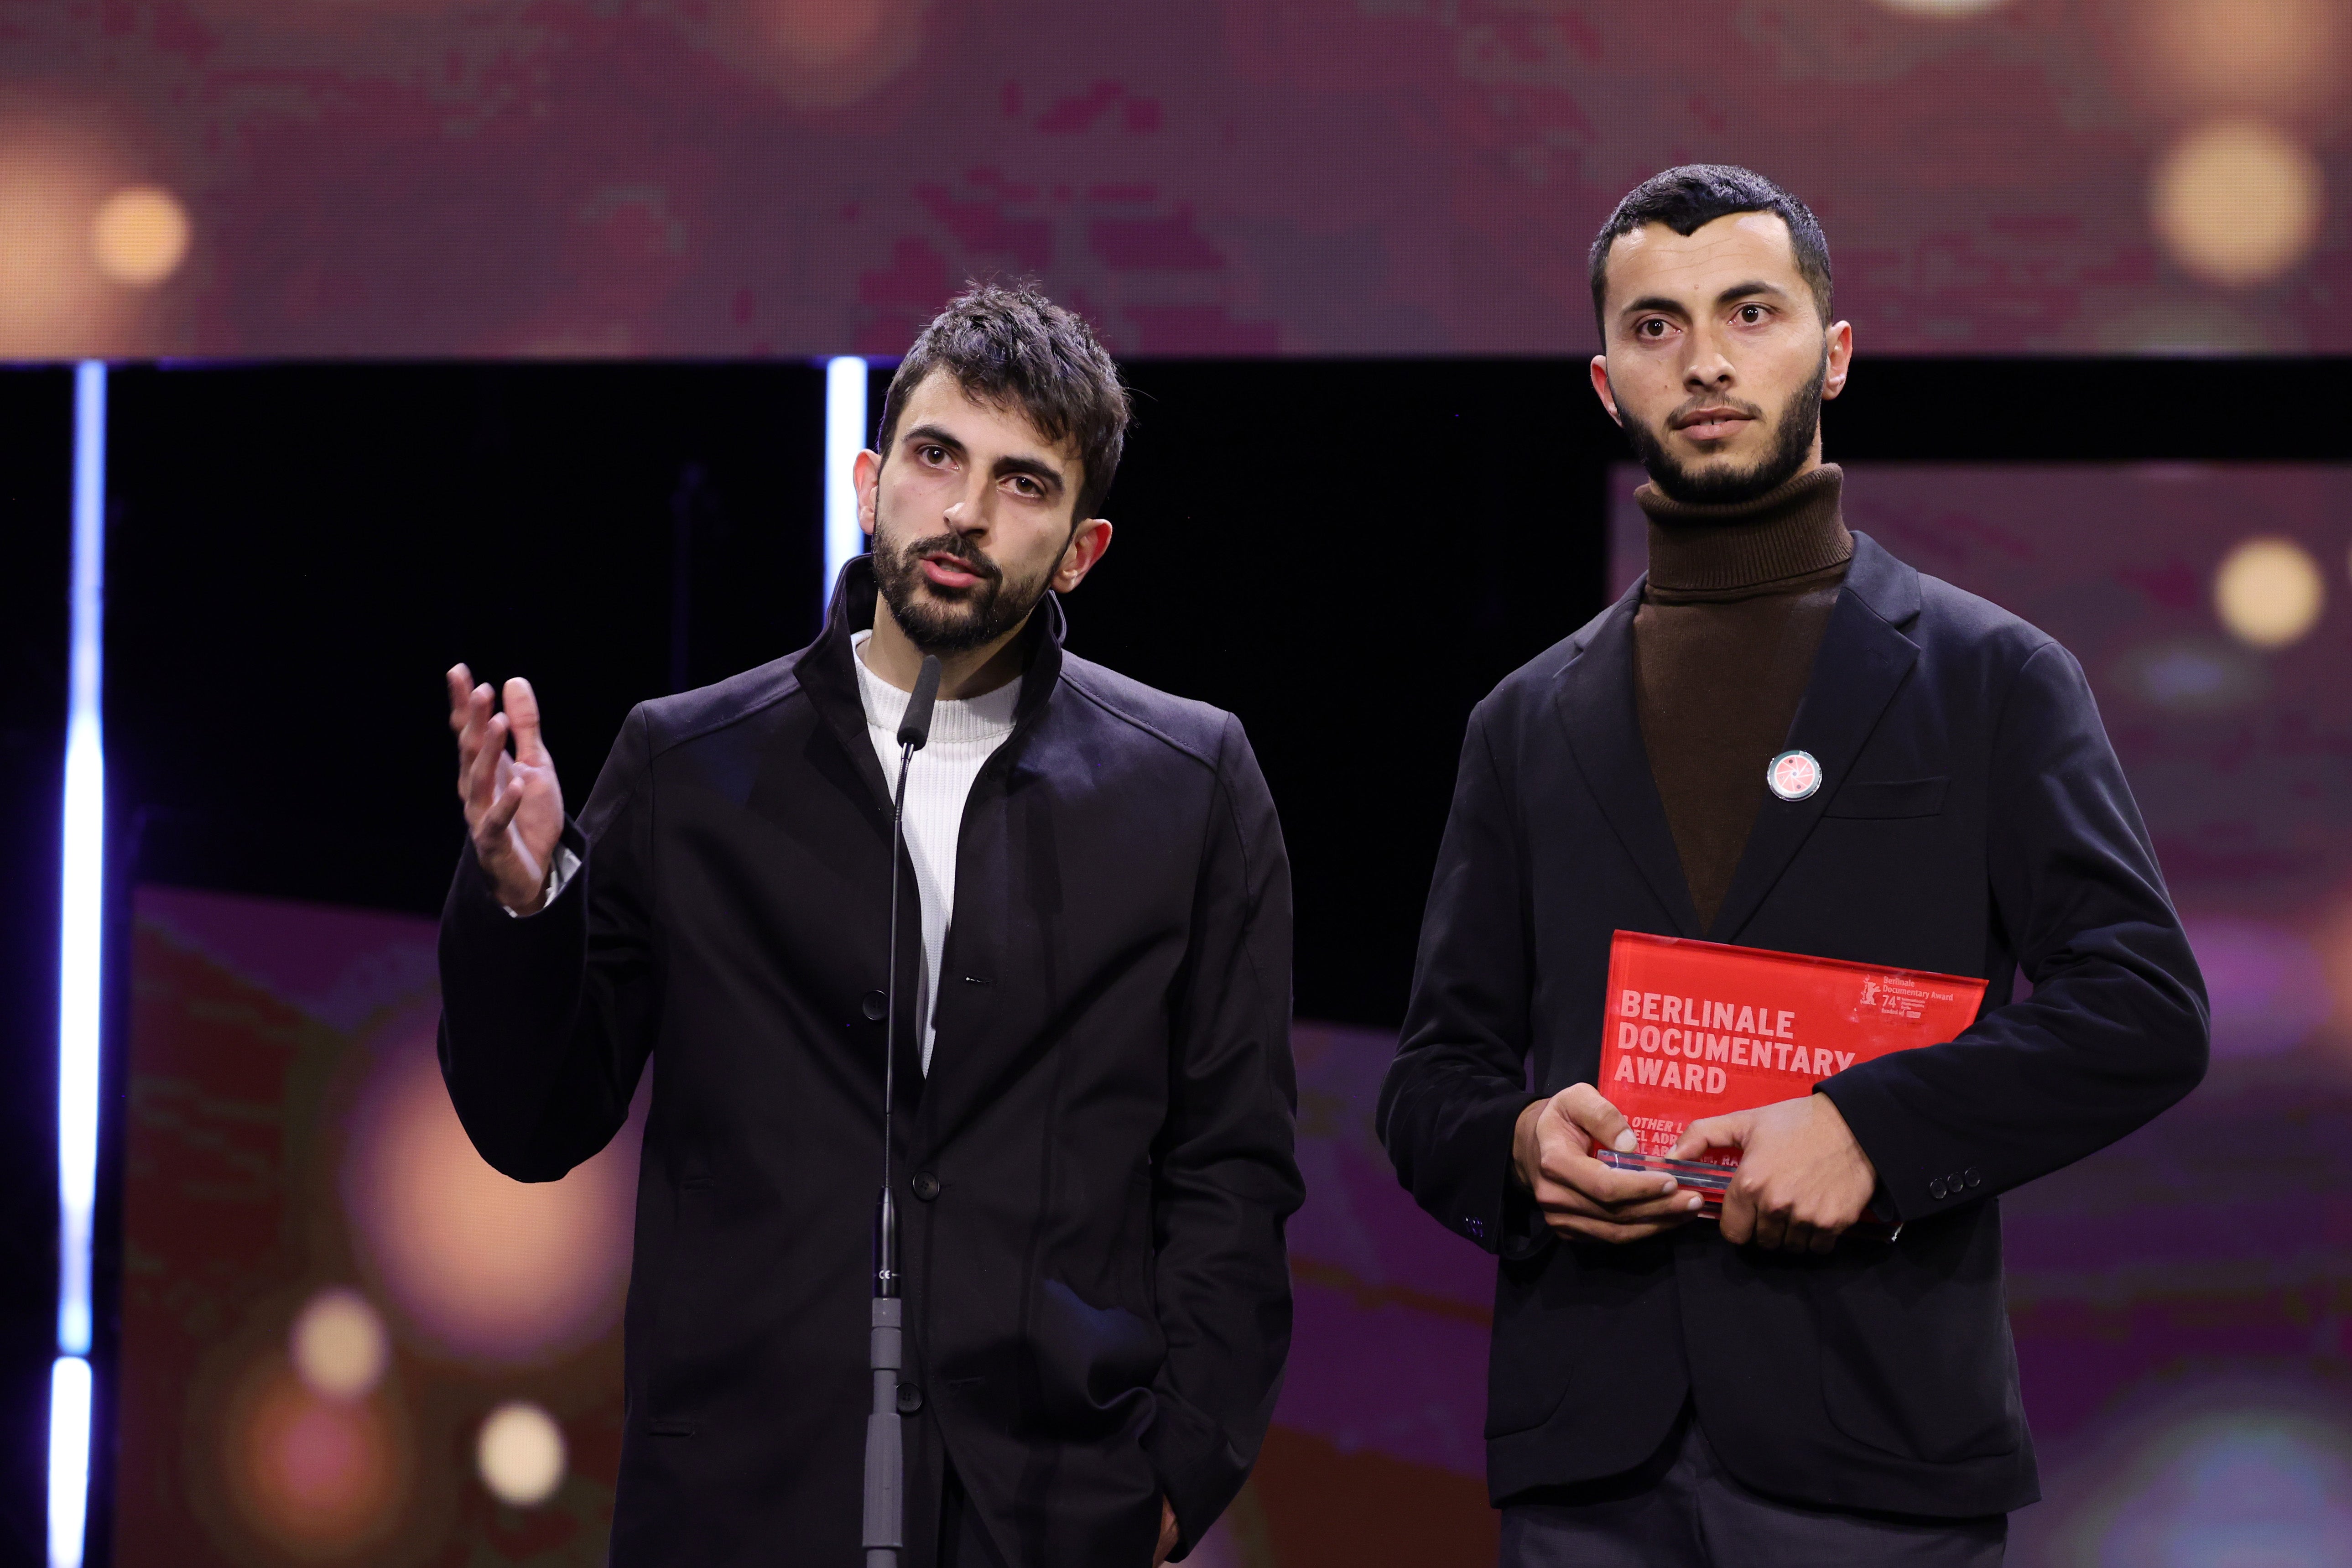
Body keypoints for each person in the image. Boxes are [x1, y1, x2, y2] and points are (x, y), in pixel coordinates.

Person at [1376, 166, 2208, 1566]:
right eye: (1654, 327)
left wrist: (1871, 1131)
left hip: (1875, 1452)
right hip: (1589, 1467)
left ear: (1830, 354)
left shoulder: (1993, 677)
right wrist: (1519, 1151)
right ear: (1603, 383)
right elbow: (1432, 1079)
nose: (1702, 359)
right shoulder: (1524, 721)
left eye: (1747, 312)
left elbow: (2141, 1009)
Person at [437, 284, 1300, 1568]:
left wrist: (1180, 1464)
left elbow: (1231, 1162)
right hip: (744, 1496)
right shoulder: (689, 766)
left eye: (1022, 482)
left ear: (1080, 551)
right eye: (936, 457)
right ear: (867, 479)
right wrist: (524, 901)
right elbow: (536, 1124)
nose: (962, 510)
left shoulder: (1188, 783)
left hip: (1048, 1505)